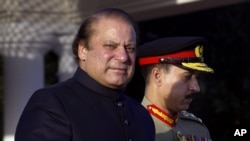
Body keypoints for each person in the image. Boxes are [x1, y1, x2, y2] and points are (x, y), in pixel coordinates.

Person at [15, 8, 155, 141]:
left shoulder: (141, 116)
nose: (123, 57)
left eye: (130, 48)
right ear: (83, 50)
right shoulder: (53, 104)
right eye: (110, 46)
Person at [137, 36, 214, 141]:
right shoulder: (133, 128)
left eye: (197, 78)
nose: (196, 88)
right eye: (186, 77)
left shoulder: (197, 129)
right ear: (157, 76)